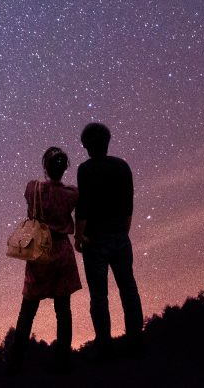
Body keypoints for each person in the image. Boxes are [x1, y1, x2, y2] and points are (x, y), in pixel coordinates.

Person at [7, 146, 81, 374]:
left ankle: (15, 363)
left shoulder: (33, 188)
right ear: (65, 168)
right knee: (63, 310)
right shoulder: (72, 194)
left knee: (27, 310)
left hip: (39, 253)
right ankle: (63, 362)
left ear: (45, 167)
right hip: (62, 253)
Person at [74, 122, 144, 353]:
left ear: (87, 146)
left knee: (99, 296)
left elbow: (84, 206)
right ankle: (136, 341)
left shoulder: (85, 170)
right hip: (120, 236)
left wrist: (79, 235)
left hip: (95, 240)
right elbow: (128, 203)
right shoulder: (122, 166)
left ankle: (104, 346)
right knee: (129, 289)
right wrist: (123, 231)